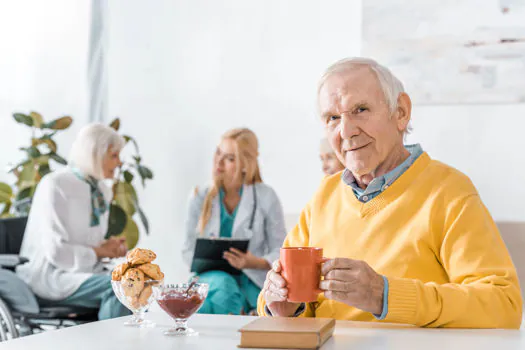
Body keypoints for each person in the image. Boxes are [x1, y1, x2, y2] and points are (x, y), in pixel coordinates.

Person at [258, 58, 523, 329]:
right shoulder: (325, 194)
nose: (346, 131)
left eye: (360, 109)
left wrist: (384, 295)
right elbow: (289, 304)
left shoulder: (449, 191)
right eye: (333, 118)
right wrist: (283, 306)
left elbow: (503, 305)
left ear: (401, 113)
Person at [16, 123, 131, 320]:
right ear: (95, 153)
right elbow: (56, 252)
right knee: (119, 287)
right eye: (114, 156)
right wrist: (100, 251)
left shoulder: (101, 190)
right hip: (51, 276)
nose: (119, 163)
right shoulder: (55, 185)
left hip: (84, 272)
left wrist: (108, 247)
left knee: (138, 281)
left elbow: (89, 243)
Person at [183, 128, 287, 315]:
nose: (219, 163)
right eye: (218, 153)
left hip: (251, 278)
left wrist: (254, 262)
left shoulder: (266, 196)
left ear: (246, 165)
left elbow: (281, 248)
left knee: (218, 302)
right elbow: (187, 249)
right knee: (223, 287)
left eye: (230, 158)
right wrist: (205, 260)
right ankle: (242, 317)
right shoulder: (200, 196)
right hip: (211, 279)